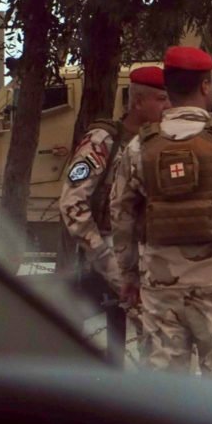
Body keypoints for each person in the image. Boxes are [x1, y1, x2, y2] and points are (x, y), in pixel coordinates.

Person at [109, 46, 212, 377]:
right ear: (206, 86)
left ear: (167, 87)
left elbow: (121, 215)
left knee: (165, 392)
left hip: (160, 284)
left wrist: (128, 275)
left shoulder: (139, 147)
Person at [57, 66, 169, 295]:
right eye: (161, 99)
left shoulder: (165, 142)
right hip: (111, 255)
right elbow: (71, 203)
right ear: (137, 102)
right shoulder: (103, 141)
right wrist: (104, 258)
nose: (168, 107)